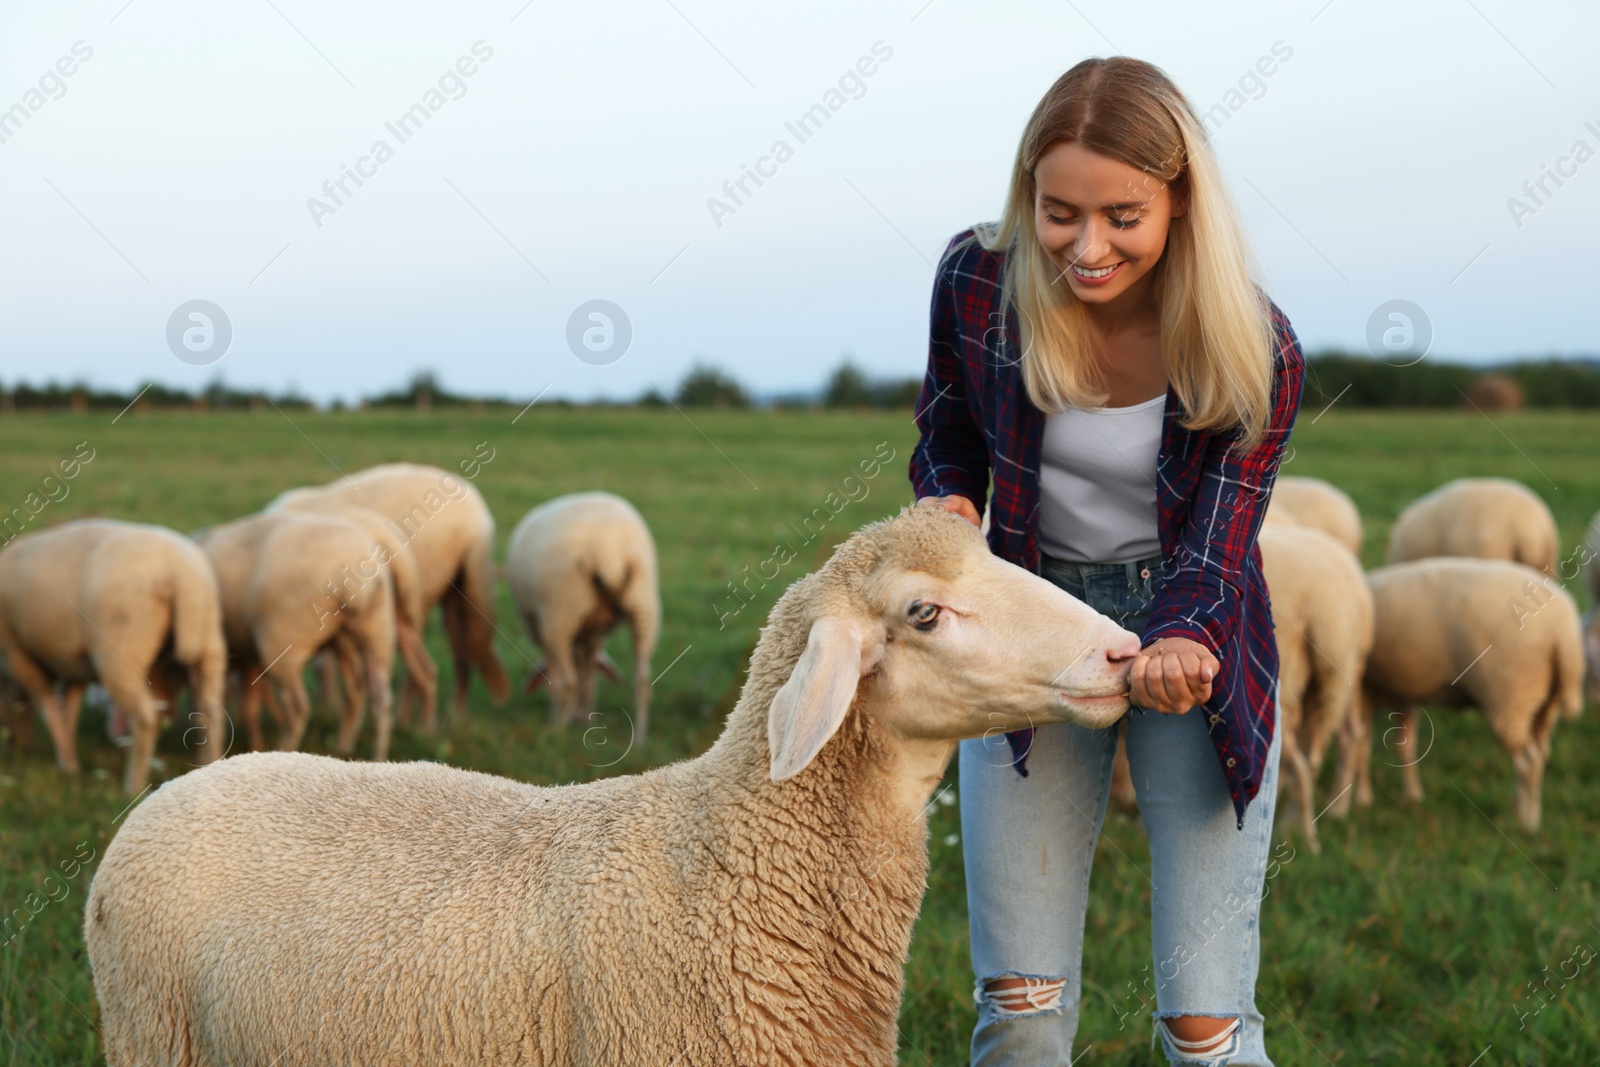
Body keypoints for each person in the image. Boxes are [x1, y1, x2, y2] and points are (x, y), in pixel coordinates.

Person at [908, 56, 1305, 1066]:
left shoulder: (1253, 342)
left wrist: (1177, 634)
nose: (1086, 246)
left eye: (1122, 215)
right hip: (1028, 627)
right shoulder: (975, 279)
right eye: (1058, 212)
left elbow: (1221, 544)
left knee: (1203, 1021)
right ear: (1028, 196)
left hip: (1191, 641)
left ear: (1179, 201)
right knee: (1020, 1001)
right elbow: (947, 426)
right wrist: (946, 495)